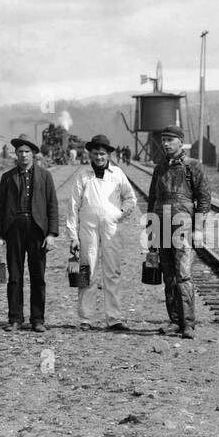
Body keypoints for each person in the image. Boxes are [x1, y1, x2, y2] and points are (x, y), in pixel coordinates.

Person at [64, 133, 138, 332]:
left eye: (103, 154)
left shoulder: (117, 174)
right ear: (90, 154)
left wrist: (119, 215)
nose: (99, 157)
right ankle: (86, 318)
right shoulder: (83, 175)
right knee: (87, 271)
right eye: (96, 153)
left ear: (109, 155)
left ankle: (114, 318)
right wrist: (73, 236)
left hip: (111, 229)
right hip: (87, 229)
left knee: (112, 272)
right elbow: (73, 207)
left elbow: (130, 199)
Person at [146, 126, 212, 339]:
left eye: (170, 140)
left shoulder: (193, 166)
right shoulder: (159, 168)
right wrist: (151, 231)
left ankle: (188, 324)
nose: (165, 143)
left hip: (183, 225)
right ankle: (174, 320)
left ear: (180, 142)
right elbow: (152, 200)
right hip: (162, 224)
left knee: (183, 274)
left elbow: (204, 199)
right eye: (163, 139)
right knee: (168, 275)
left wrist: (199, 228)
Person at [0, 137, 59, 332]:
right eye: (20, 152)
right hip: (14, 229)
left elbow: (52, 205)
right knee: (15, 276)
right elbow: (1, 208)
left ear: (33, 154)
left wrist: (52, 233)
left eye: (27, 152)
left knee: (38, 276)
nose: (23, 155)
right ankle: (15, 318)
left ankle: (37, 319)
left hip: (37, 230)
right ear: (16, 154)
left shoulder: (45, 176)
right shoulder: (8, 177)